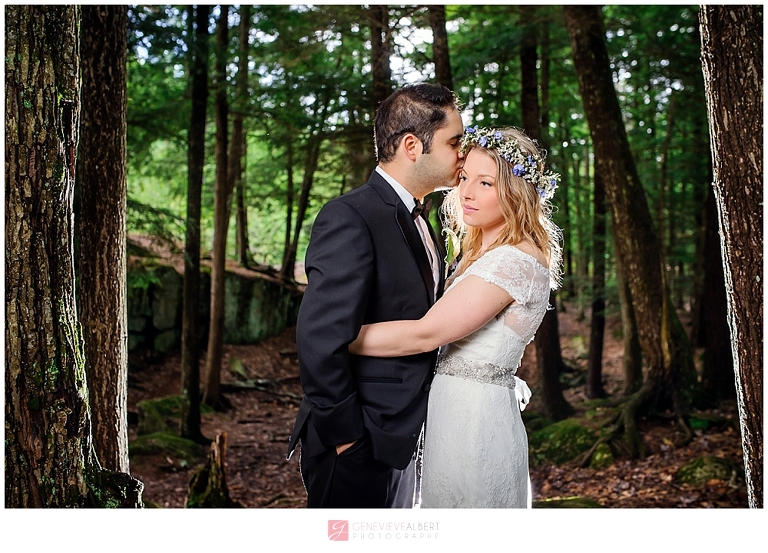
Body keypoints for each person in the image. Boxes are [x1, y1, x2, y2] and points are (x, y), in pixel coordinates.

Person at [349, 126, 562, 508]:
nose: (466, 191)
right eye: (464, 177)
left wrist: (337, 336)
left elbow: (425, 334)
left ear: (516, 192)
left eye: (485, 182)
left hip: (474, 421)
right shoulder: (482, 252)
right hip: (454, 412)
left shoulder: (513, 260)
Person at [285, 83, 465, 508]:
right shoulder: (350, 216)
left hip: (402, 437)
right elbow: (320, 338)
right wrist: (347, 437)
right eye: (454, 141)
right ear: (411, 145)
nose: (463, 152)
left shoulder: (424, 219)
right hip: (358, 439)